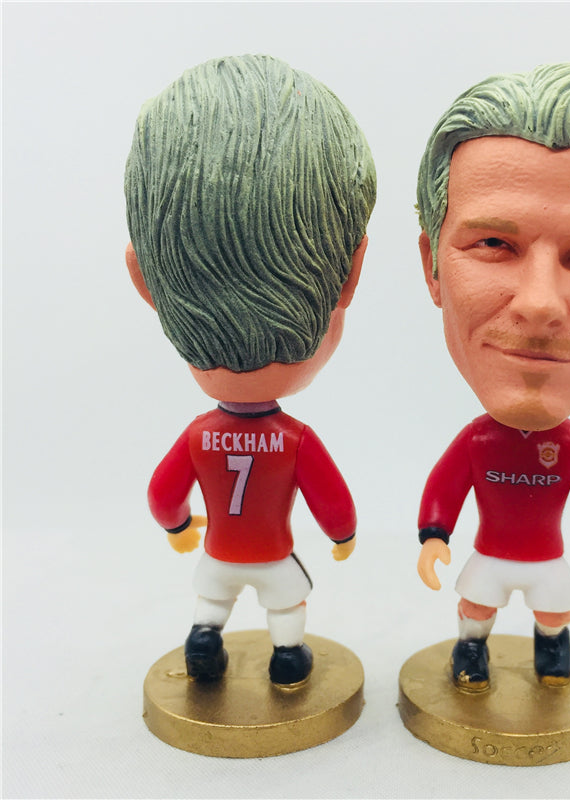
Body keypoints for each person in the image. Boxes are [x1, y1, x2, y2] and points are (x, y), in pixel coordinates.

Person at [414, 63, 570, 691]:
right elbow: (445, 490)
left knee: (554, 609)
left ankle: (551, 651)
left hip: (547, 560)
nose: (539, 304)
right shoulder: (477, 443)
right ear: (432, 265)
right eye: (493, 243)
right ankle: (472, 651)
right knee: (477, 606)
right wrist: (434, 534)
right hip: (491, 557)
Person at [124, 54, 376, 687]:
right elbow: (331, 499)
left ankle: (203, 640)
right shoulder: (293, 440)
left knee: (211, 603)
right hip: (272, 556)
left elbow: (162, 495)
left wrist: (178, 527)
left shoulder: (199, 436)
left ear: (145, 281)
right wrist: (343, 535)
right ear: (351, 276)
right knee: (286, 609)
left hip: (217, 554)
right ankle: (287, 659)